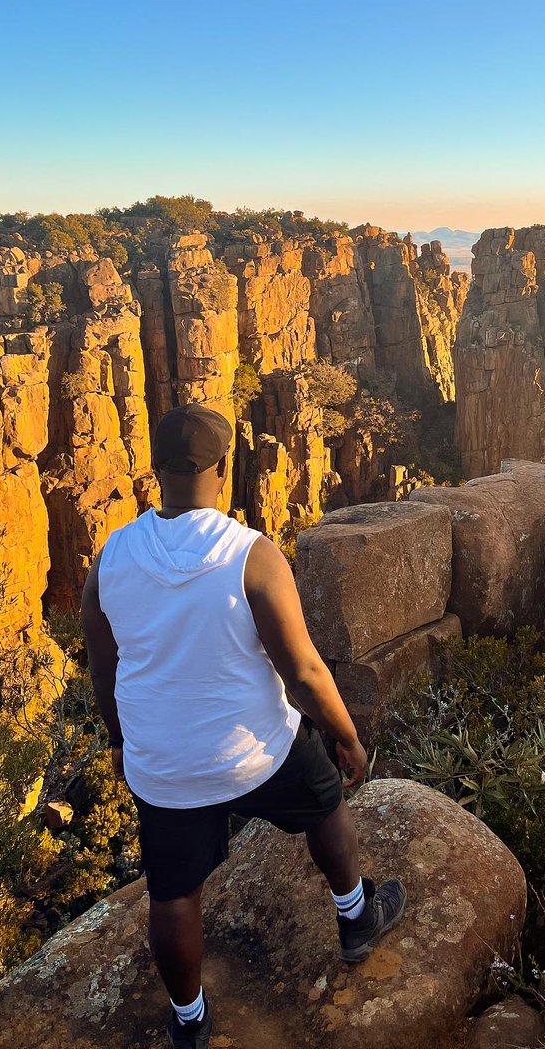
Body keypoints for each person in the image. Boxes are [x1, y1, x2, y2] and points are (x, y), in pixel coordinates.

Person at [81, 403, 406, 1048]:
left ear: (156, 470)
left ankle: (190, 1022)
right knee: (323, 801)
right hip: (256, 752)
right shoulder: (250, 555)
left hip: (165, 769)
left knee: (173, 895)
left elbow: (102, 666)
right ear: (225, 468)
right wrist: (344, 735)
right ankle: (356, 915)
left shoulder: (110, 560)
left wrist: (120, 742)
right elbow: (306, 673)